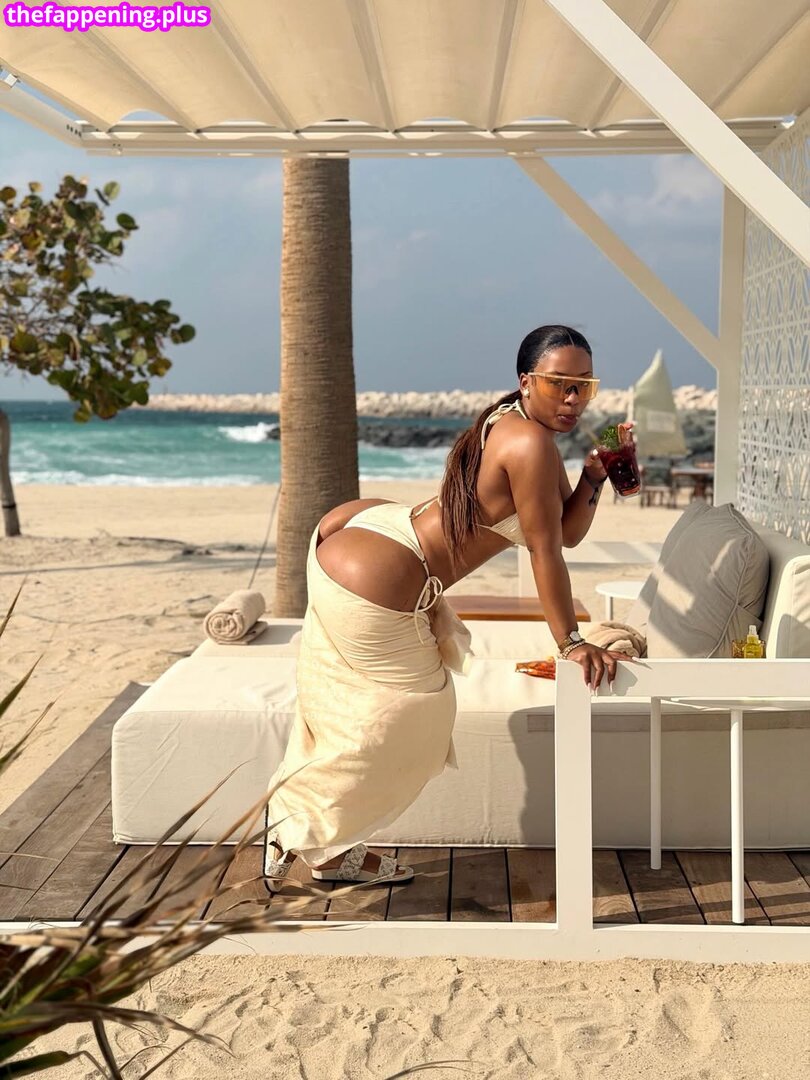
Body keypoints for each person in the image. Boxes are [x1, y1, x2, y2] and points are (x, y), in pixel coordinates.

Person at [264, 324, 628, 891]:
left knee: (344, 707)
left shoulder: (517, 424)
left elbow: (567, 530)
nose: (574, 398)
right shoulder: (531, 444)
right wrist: (571, 642)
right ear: (526, 380)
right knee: (416, 718)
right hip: (384, 569)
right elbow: (546, 551)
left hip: (366, 534)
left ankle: (321, 844)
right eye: (560, 383)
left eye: (585, 385)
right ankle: (292, 824)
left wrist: (594, 475)